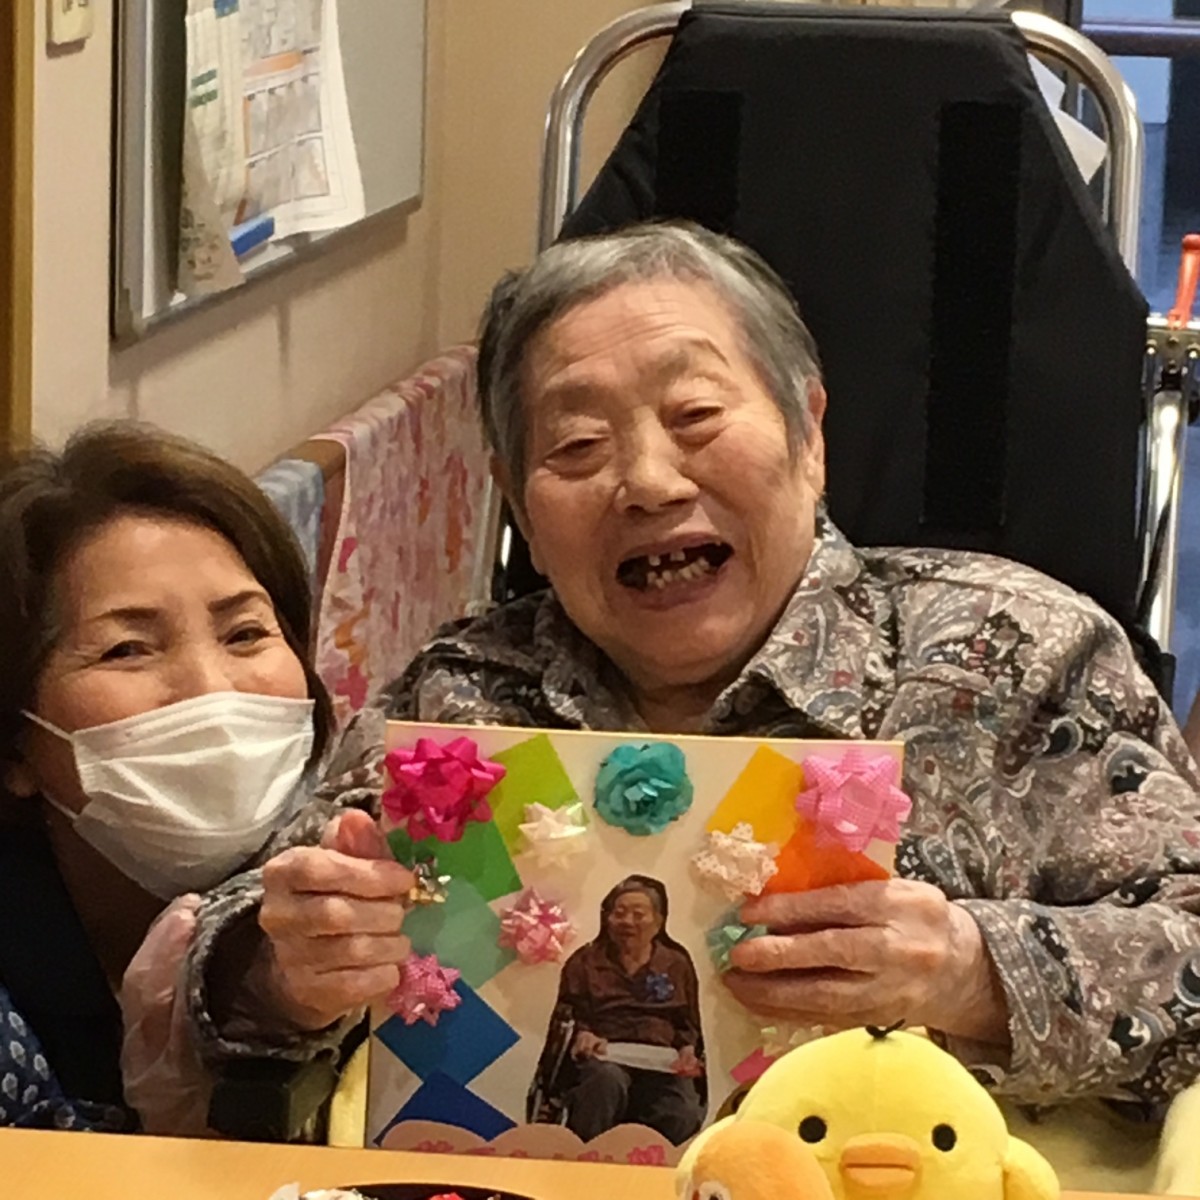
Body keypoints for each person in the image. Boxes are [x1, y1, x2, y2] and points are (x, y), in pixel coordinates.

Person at [387, 221, 1200, 1115]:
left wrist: (976, 974)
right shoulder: (459, 704)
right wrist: (288, 972)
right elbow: (276, 936)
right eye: (577, 446)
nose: (649, 482)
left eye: (695, 416)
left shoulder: (1019, 652)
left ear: (809, 436)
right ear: (519, 507)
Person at [0, 424, 413, 1133]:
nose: (211, 689)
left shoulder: (373, 863)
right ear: (15, 746)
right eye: (126, 649)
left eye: (246, 634)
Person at [546, 876, 704, 1144]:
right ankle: (590, 1158)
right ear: (607, 919)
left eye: (638, 914)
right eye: (619, 913)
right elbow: (568, 1014)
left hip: (662, 1062)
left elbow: (687, 1022)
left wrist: (688, 1051)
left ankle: (656, 1164)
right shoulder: (585, 961)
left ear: (658, 921)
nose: (627, 921)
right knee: (606, 1081)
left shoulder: (676, 963)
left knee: (682, 1109)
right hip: (604, 1056)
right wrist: (582, 1034)